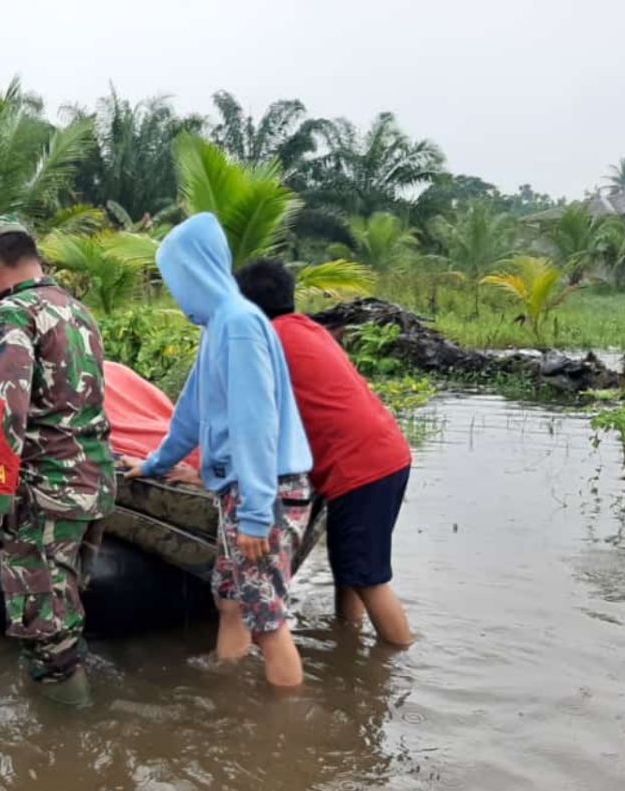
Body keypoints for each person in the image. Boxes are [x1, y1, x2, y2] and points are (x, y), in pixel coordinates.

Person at [121, 213, 314, 688]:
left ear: (198, 272)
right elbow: (190, 416)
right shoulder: (217, 328)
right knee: (231, 600)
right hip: (239, 493)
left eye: (175, 280)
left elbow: (255, 425)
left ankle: (290, 737)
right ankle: (230, 696)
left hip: (265, 495)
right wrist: (153, 465)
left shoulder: (241, 325)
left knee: (266, 619)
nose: (175, 293)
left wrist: (254, 513)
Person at [0, 216, 116, 707]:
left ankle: (68, 753)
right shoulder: (76, 310)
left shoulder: (10, 315)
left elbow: (1, 414)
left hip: (45, 497)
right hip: (92, 488)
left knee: (46, 634)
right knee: (64, 609)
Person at [236, 259, 414, 647]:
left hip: (361, 468)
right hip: (385, 456)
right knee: (350, 568)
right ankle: (348, 649)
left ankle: (398, 664)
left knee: (368, 579)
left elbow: (250, 423)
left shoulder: (268, 343)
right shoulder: (305, 329)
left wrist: (197, 467)